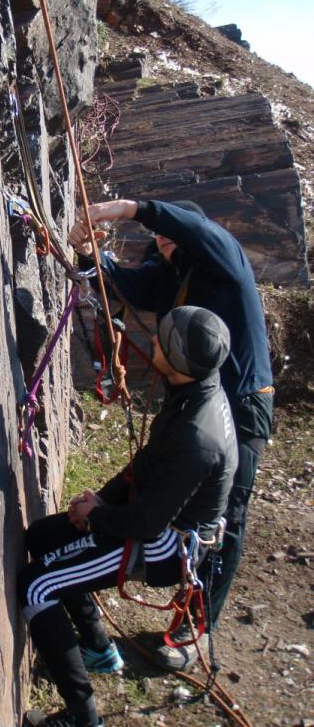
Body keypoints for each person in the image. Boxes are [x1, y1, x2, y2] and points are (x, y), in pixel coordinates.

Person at [68, 198, 274, 669]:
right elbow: (126, 285)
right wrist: (88, 256)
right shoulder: (174, 275)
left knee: (225, 518)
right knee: (175, 493)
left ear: (194, 232)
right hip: (197, 404)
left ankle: (198, 627)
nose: (165, 239)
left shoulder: (225, 264)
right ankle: (119, 534)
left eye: (174, 231)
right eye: (161, 236)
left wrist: (127, 209)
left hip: (240, 406)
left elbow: (199, 232)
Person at [19, 306, 238, 727]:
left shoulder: (197, 436)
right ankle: (99, 649)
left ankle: (84, 718)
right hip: (153, 522)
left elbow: (145, 525)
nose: (154, 340)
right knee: (41, 538)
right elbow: (148, 462)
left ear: (178, 360)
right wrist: (98, 504)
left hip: (163, 546)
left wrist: (100, 519)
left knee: (35, 586)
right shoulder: (194, 394)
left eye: (163, 339)